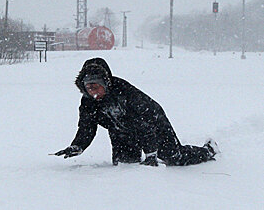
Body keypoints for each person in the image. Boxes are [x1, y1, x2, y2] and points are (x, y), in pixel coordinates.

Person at [54, 57, 218, 166]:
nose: (93, 92)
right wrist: (78, 146)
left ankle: (208, 150)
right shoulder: (88, 102)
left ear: (105, 83)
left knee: (174, 158)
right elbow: (87, 127)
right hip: (121, 132)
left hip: (153, 123)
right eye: (89, 88)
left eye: (96, 87)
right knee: (126, 165)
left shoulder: (124, 92)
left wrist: (151, 153)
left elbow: (144, 125)